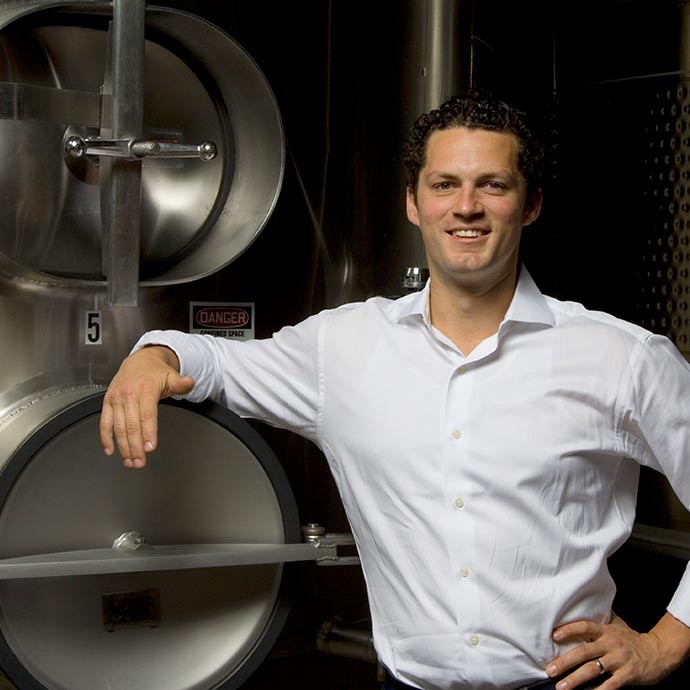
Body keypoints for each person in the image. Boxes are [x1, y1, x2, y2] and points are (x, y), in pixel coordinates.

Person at [100, 91, 690, 690]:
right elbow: (219, 362)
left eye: (492, 185)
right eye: (444, 185)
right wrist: (155, 354)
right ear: (413, 203)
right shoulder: (344, 347)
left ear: (530, 203)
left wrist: (663, 644)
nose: (466, 207)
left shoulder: (621, 357)